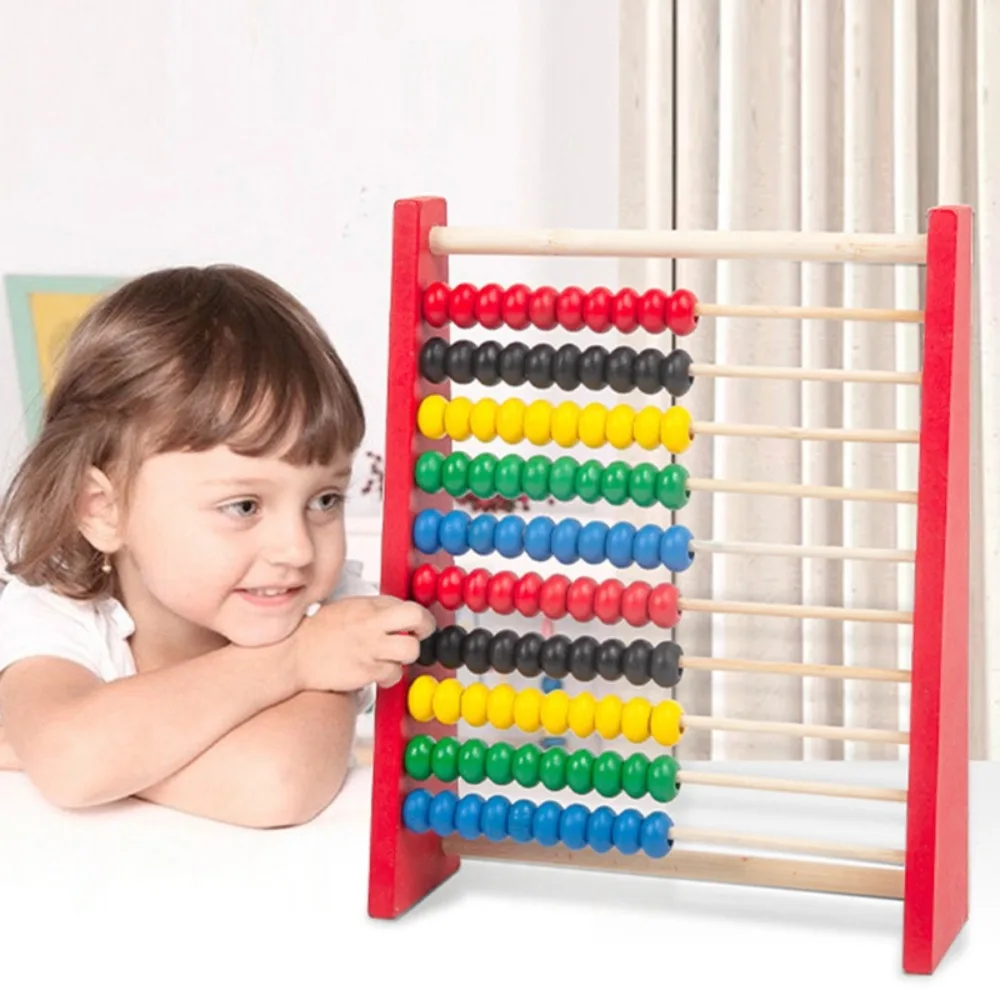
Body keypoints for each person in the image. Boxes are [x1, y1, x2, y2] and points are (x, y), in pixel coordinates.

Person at [0, 264, 433, 827]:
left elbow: (276, 782)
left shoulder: (332, 619)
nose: (298, 549)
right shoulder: (57, 615)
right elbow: (74, 762)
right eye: (244, 506)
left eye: (325, 499)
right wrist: (296, 662)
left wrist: (50, 754)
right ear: (102, 510)